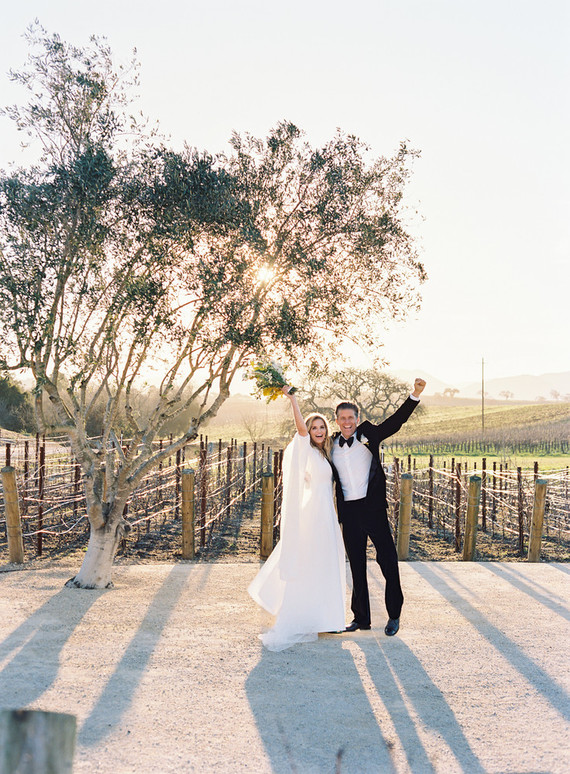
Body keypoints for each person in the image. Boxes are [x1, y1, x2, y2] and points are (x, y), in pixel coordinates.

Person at [248, 386, 346, 651]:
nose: (318, 432)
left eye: (321, 428)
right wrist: (293, 400)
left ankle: (327, 617)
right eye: (314, 428)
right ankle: (308, 617)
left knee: (327, 563)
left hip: (326, 513)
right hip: (314, 515)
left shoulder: (324, 453)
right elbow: (300, 428)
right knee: (313, 562)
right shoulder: (305, 446)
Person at [332, 377, 426, 636]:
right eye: (342, 418)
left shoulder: (368, 434)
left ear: (357, 417)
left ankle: (394, 615)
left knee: (387, 561)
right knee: (357, 566)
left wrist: (414, 394)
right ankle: (360, 618)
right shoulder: (330, 445)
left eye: (351, 417)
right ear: (336, 420)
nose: (347, 422)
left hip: (373, 509)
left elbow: (396, 422)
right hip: (349, 513)